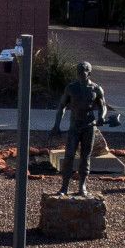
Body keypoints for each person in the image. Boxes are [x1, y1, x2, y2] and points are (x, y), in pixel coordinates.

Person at [51, 60, 112, 197]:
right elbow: (62, 106)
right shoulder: (71, 88)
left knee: (86, 157)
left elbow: (103, 106)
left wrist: (101, 116)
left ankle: (82, 186)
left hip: (89, 127)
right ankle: (64, 186)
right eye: (78, 71)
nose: (79, 74)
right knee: (69, 156)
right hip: (74, 127)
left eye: (82, 71)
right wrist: (57, 125)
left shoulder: (96, 89)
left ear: (89, 73)